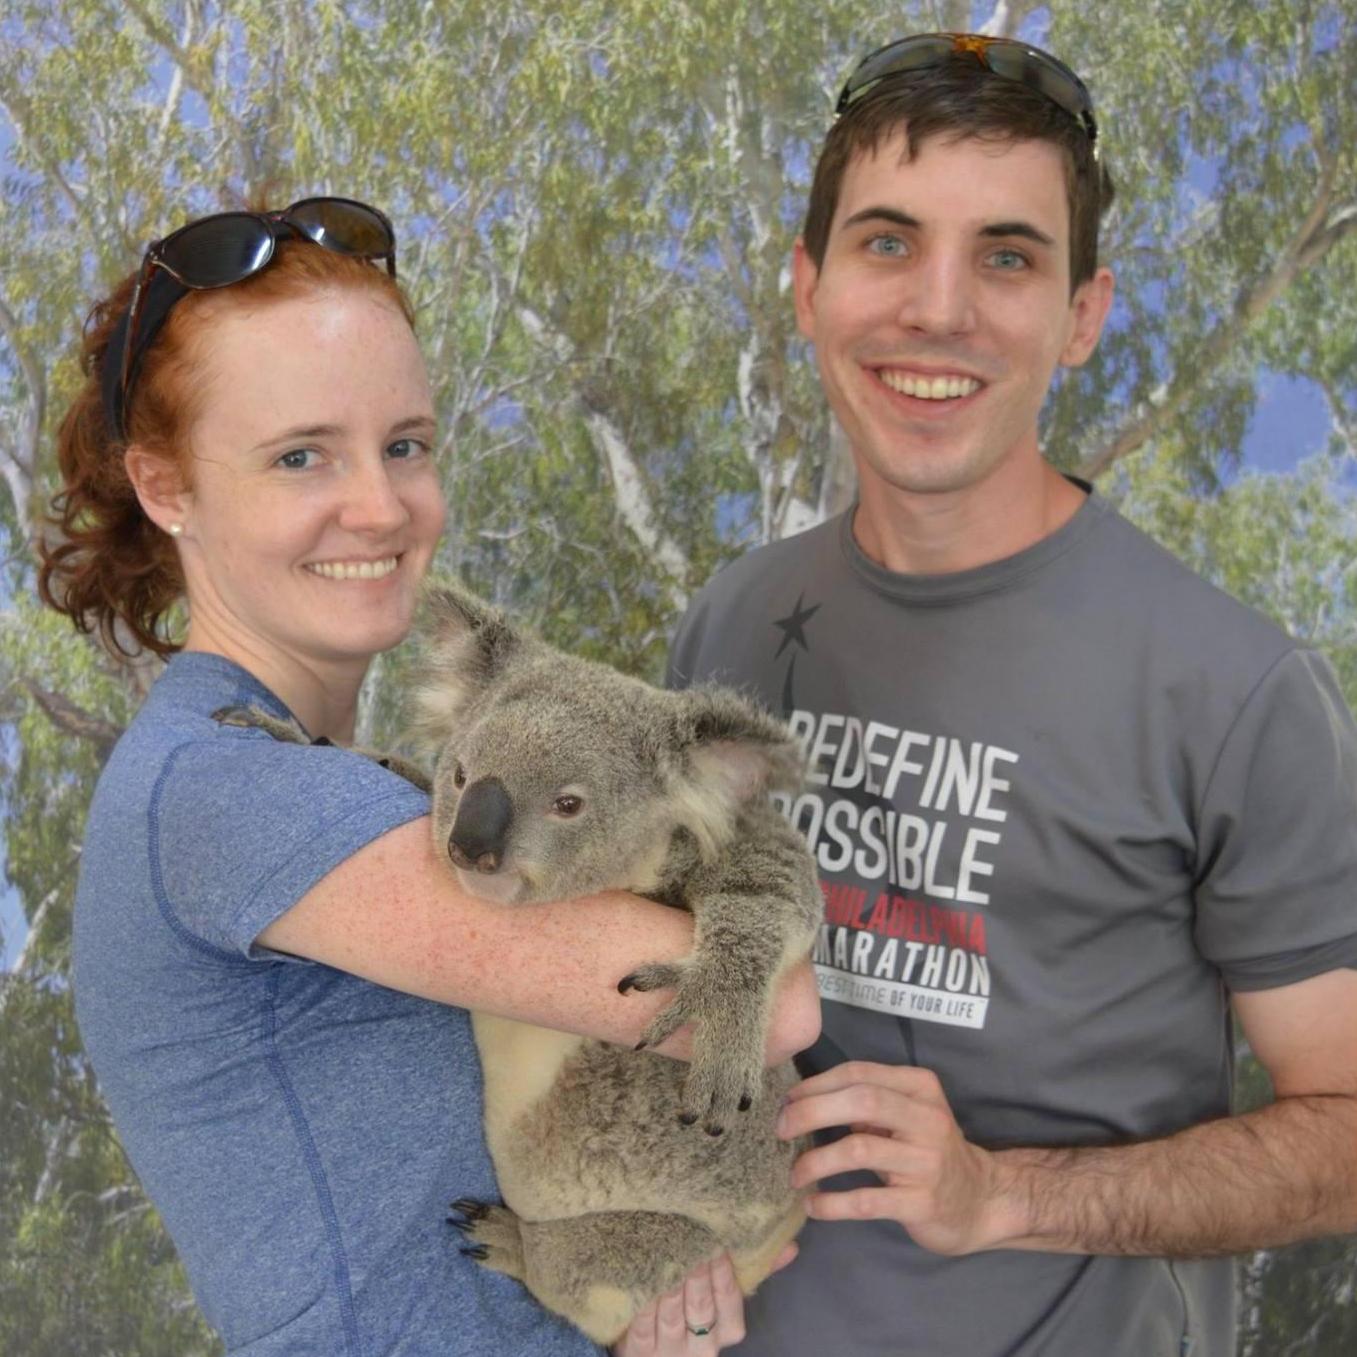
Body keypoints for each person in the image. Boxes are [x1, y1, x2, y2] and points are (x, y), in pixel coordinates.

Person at [666, 32, 1357, 1357]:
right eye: (885, 243)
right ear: (806, 289)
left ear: (1081, 317)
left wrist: (1003, 1194)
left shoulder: (1233, 688)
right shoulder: (733, 620)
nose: (939, 309)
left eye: (1005, 256)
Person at [38, 198, 818, 1356]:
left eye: (404, 443)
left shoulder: (344, 776)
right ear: (167, 486)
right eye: (301, 455)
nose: (381, 503)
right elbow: (768, 1008)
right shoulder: (233, 792)